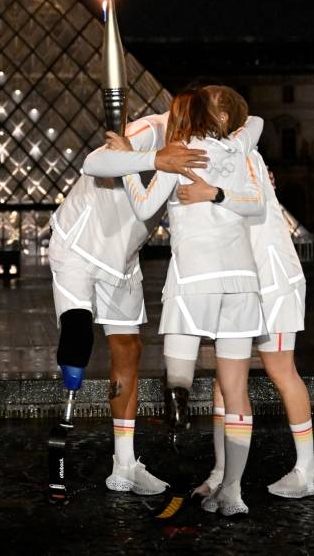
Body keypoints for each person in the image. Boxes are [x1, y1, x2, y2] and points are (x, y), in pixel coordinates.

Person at [104, 87, 265, 516]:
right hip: (241, 281)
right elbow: (258, 204)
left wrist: (126, 164)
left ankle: (178, 393)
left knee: (179, 361)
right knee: (235, 390)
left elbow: (143, 207)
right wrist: (217, 193)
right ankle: (233, 491)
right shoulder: (235, 150)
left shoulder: (177, 154)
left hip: (193, 278)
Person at [178, 85, 314, 500]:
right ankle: (222, 472)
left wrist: (213, 193)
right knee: (225, 383)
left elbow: (256, 203)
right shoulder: (220, 154)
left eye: (205, 106)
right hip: (243, 280)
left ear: (224, 117)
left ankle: (307, 468)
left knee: (281, 370)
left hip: (273, 281)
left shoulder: (243, 155)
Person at [49, 108, 207, 496]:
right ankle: (65, 418)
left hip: (122, 260)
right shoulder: (149, 130)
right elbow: (94, 161)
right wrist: (155, 158)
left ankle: (123, 465)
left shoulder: (198, 146)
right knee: (77, 333)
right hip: (79, 248)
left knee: (129, 349)